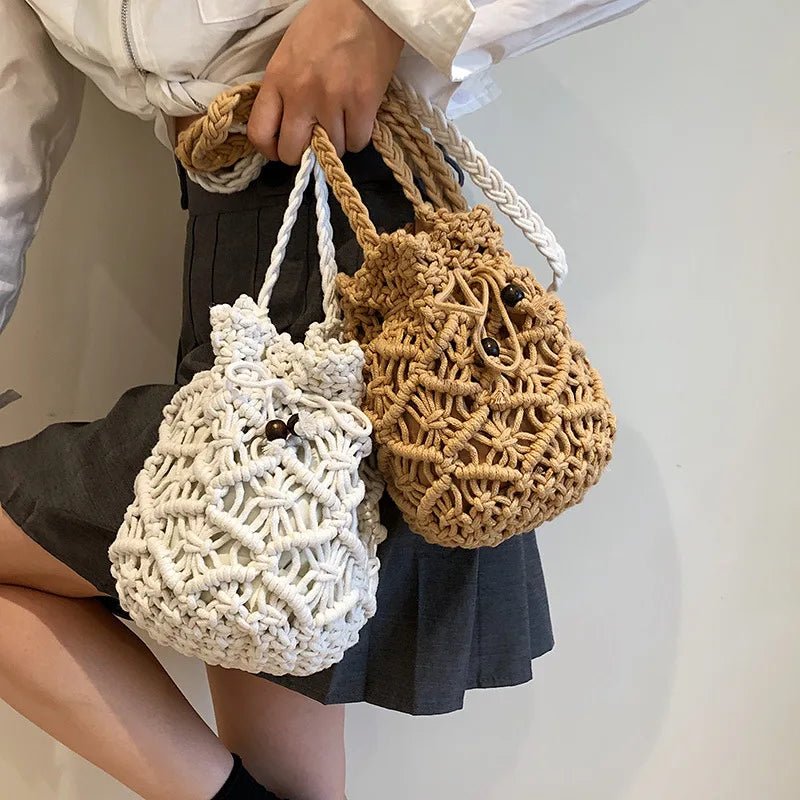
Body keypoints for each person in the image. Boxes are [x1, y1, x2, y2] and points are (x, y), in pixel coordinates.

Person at [0, 0, 649, 798]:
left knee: (285, 751)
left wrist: (373, 15)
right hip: (236, 249)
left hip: (373, 256)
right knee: (290, 776)